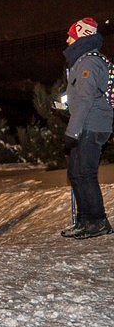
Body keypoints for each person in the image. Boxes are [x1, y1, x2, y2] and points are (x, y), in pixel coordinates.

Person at [61, 17, 113, 239]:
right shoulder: (80, 62)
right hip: (83, 123)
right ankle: (85, 220)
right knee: (75, 173)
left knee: (85, 173)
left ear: (81, 37)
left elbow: (84, 101)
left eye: (71, 35)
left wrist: (72, 132)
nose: (67, 39)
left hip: (91, 126)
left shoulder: (89, 63)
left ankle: (98, 220)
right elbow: (77, 99)